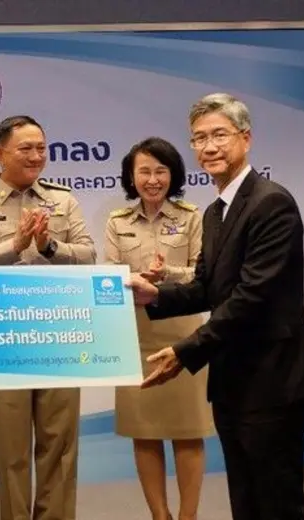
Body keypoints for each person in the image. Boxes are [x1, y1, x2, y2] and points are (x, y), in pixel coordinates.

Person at [128, 93, 304, 520]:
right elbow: (207, 287)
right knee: (246, 501)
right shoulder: (215, 212)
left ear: (245, 138)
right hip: (233, 380)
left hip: (273, 380)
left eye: (219, 135)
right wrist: (154, 296)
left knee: (278, 504)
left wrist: (186, 350)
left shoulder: (271, 203)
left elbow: (252, 297)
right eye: (199, 138)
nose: (209, 147)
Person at [0, 115, 97, 520]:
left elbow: (89, 255)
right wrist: (13, 245)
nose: (36, 156)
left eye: (41, 148)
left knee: (60, 447)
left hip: (60, 337)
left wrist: (50, 246)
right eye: (26, 149)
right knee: (12, 450)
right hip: (4, 341)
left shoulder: (63, 200)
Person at [104, 137, 214, 520]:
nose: (153, 180)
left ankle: (188, 516)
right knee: (145, 431)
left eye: (161, 171)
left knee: (188, 431)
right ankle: (160, 515)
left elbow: (203, 274)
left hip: (183, 331)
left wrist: (165, 274)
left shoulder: (192, 216)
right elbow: (110, 273)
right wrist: (133, 278)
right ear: (131, 177)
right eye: (145, 172)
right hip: (134, 334)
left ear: (173, 175)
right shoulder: (117, 221)